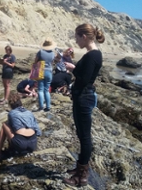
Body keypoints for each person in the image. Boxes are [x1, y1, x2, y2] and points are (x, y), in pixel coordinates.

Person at [63, 23, 104, 187]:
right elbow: (85, 74)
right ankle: (79, 168)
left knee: (85, 137)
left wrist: (73, 69)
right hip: (83, 97)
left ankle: (82, 176)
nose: (76, 41)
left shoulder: (93, 55)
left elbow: (85, 79)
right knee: (81, 135)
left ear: (84, 37)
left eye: (77, 37)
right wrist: (73, 65)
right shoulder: (92, 54)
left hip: (84, 98)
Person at [0, 91, 41, 160]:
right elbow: (38, 131)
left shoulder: (11, 113)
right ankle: (25, 149)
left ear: (11, 105)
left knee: (4, 125)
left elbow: (12, 128)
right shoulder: (29, 113)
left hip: (20, 143)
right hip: (33, 143)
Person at [34, 38, 56, 112]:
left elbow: (35, 61)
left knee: (40, 89)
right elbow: (52, 62)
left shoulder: (40, 52)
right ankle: (48, 106)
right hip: (49, 71)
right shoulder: (53, 53)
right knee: (47, 90)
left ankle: (41, 107)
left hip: (41, 69)